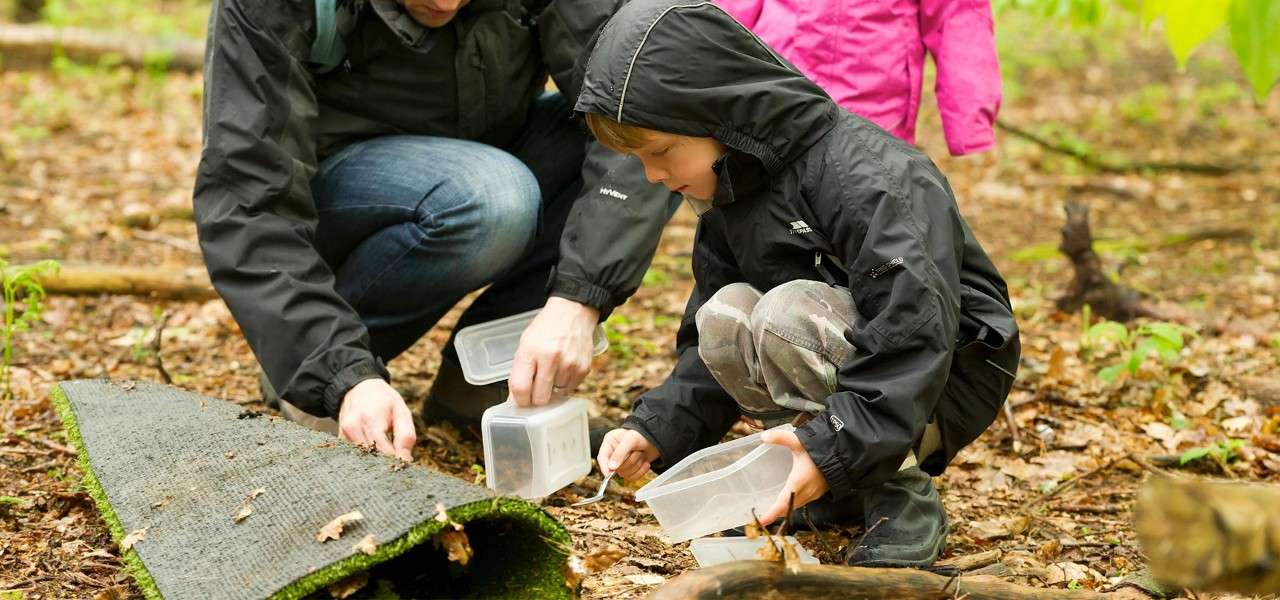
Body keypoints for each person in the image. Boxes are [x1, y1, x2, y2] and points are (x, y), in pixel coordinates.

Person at [585, 0, 1020, 567]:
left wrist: (837, 443)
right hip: (862, 372)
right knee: (725, 314)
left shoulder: (868, 175)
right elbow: (706, 346)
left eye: (661, 152)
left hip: (945, 374)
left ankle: (898, 494)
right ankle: (829, 478)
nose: (653, 176)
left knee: (784, 313)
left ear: (716, 115)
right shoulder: (729, 193)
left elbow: (912, 324)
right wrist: (659, 427)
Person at [194, 0, 680, 459]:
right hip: (340, 193)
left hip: (480, 152)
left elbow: (634, 108)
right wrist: (337, 372)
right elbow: (249, 195)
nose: (445, 5)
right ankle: (319, 364)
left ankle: (485, 385)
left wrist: (579, 299)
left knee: (654, 145)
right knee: (492, 198)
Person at [714, 0, 1002, 156]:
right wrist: (709, 77)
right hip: (779, 85)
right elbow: (731, 11)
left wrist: (970, 121)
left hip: (872, 99)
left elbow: (959, 18)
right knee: (774, 208)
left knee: (863, 204)